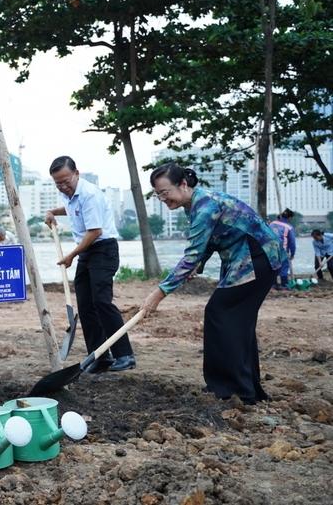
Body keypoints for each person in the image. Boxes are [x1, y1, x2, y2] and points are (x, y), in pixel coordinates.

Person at [140, 163, 284, 405]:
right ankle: (241, 388)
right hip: (246, 258)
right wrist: (199, 264)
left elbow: (191, 254)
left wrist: (159, 292)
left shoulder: (205, 206)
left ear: (183, 184)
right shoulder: (193, 205)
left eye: (166, 192)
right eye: (158, 195)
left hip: (257, 256)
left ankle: (234, 388)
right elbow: (208, 243)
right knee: (236, 320)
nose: (163, 199)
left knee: (221, 313)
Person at [44, 156, 135, 373]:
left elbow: (95, 232)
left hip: (103, 250)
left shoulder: (89, 194)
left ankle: (125, 355)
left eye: (66, 181)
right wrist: (52, 212)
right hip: (87, 251)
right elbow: (70, 209)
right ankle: (99, 356)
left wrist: (71, 256)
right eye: (58, 183)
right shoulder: (69, 194)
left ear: (77, 174)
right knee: (85, 305)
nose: (63, 186)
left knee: (102, 301)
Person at [269, 209, 296, 290]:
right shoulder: (289, 227)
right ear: (290, 218)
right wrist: (293, 253)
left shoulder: (272, 224)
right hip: (282, 251)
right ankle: (285, 286)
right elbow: (292, 242)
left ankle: (273, 286)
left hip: (271, 250)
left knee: (273, 268)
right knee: (284, 268)